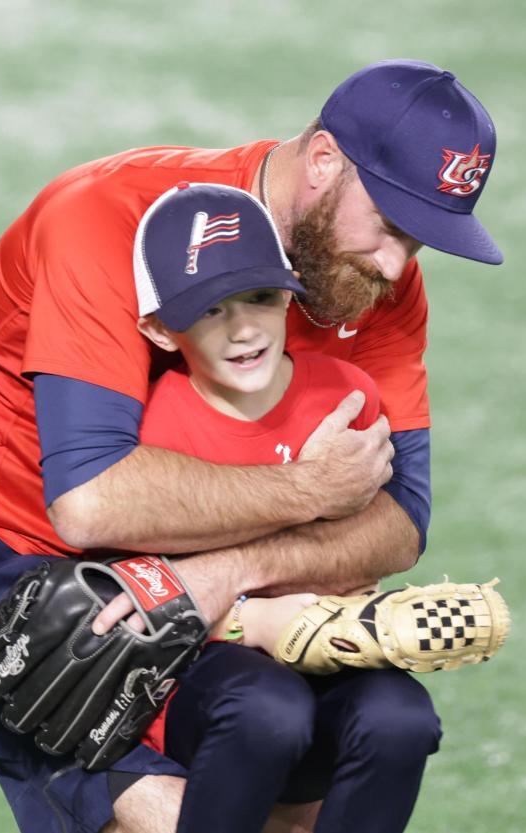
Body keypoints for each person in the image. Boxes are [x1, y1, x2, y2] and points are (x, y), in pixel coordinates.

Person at [0, 58, 502, 833]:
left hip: (204, 586)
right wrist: (310, 494)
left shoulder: (371, 280)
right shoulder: (106, 221)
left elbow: (400, 518)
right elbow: (91, 502)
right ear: (325, 161)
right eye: (394, 224)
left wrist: (233, 576)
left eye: (427, 238)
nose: (399, 264)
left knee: (322, 769)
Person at [129, 180, 443, 833]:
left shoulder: (348, 393)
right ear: (160, 329)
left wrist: (370, 616)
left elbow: (360, 548)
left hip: (321, 663)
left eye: (262, 297)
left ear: (290, 299)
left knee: (400, 716)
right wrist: (253, 620)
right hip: (201, 680)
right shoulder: (152, 430)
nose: (244, 328)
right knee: (267, 706)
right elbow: (136, 605)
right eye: (210, 308)